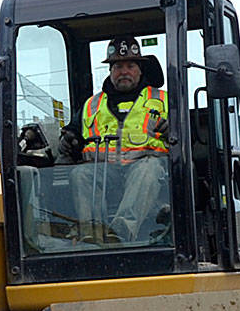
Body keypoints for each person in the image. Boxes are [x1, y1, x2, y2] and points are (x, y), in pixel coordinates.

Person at [66, 36, 172, 243]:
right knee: (81, 174)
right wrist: (68, 138)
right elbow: (72, 133)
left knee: (147, 169)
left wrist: (172, 131)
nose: (124, 71)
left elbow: (190, 138)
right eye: (117, 66)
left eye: (130, 65)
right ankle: (92, 233)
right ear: (110, 71)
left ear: (140, 70)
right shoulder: (91, 105)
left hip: (151, 177)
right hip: (106, 174)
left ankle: (120, 233)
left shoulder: (164, 100)